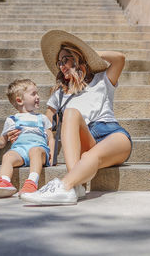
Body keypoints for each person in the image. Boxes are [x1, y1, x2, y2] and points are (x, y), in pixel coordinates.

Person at [17, 30, 132, 205]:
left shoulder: (102, 80)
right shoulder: (60, 95)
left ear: (78, 58)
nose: (61, 66)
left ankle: (66, 185)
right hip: (86, 138)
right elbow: (46, 123)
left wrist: (90, 54)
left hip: (111, 133)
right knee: (70, 113)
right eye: (59, 62)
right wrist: (23, 129)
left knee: (89, 157)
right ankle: (75, 186)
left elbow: (119, 58)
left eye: (65, 60)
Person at [0, 79, 54, 199]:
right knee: (7, 156)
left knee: (35, 151)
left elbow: (51, 137)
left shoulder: (42, 118)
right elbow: (3, 142)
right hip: (21, 151)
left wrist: (52, 154)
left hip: (39, 150)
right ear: (19, 100)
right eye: (33, 94)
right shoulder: (12, 120)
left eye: (37, 93)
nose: (38, 96)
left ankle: (31, 182)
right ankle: (4, 181)